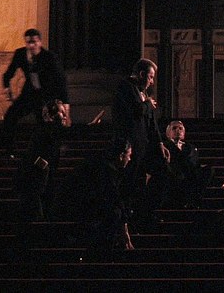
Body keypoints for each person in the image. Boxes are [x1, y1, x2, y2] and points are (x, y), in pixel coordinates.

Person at [108, 58, 170, 230]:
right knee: (131, 182)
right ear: (142, 74)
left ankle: (146, 213)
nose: (152, 82)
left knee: (162, 171)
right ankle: (131, 220)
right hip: (131, 146)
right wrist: (147, 104)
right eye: (150, 77)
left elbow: (152, 123)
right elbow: (135, 111)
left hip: (145, 145)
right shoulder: (125, 87)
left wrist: (160, 143)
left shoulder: (143, 94)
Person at [49, 139, 134, 254]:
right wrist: (124, 229)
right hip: (73, 208)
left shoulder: (103, 165)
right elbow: (114, 197)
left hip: (76, 204)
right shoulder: (106, 170)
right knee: (114, 214)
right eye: (129, 155)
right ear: (121, 156)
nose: (130, 159)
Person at [0, 29, 69, 156]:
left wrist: (65, 104)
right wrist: (7, 87)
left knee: (45, 122)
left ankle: (48, 150)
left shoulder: (49, 57)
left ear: (40, 42)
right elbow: (8, 73)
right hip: (29, 93)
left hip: (46, 94)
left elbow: (61, 80)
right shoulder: (20, 54)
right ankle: (8, 150)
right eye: (28, 42)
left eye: (34, 42)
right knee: (11, 115)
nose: (31, 46)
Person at [15, 99, 71, 222]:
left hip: (38, 187)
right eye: (62, 112)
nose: (65, 116)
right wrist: (44, 168)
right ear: (51, 116)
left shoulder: (48, 131)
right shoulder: (45, 131)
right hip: (34, 187)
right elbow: (34, 158)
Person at [162, 120, 214, 209]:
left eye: (180, 128)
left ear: (184, 133)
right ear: (167, 134)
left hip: (190, 176)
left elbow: (196, 164)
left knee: (208, 170)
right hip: (174, 176)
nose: (178, 130)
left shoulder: (191, 147)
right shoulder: (164, 147)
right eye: (174, 128)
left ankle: (193, 201)